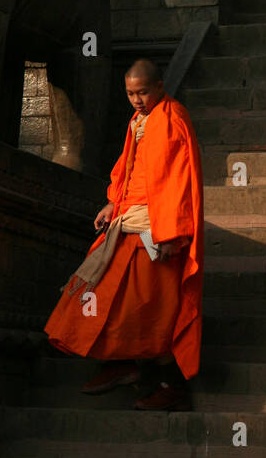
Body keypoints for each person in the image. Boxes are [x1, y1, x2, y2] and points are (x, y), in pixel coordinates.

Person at [44, 60, 204, 412]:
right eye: (131, 93)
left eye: (143, 92)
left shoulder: (172, 118)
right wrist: (112, 202)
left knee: (151, 307)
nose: (137, 99)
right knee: (101, 290)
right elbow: (129, 168)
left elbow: (178, 180)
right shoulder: (139, 121)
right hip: (128, 219)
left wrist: (171, 231)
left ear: (160, 86)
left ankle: (167, 385)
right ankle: (121, 363)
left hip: (156, 228)